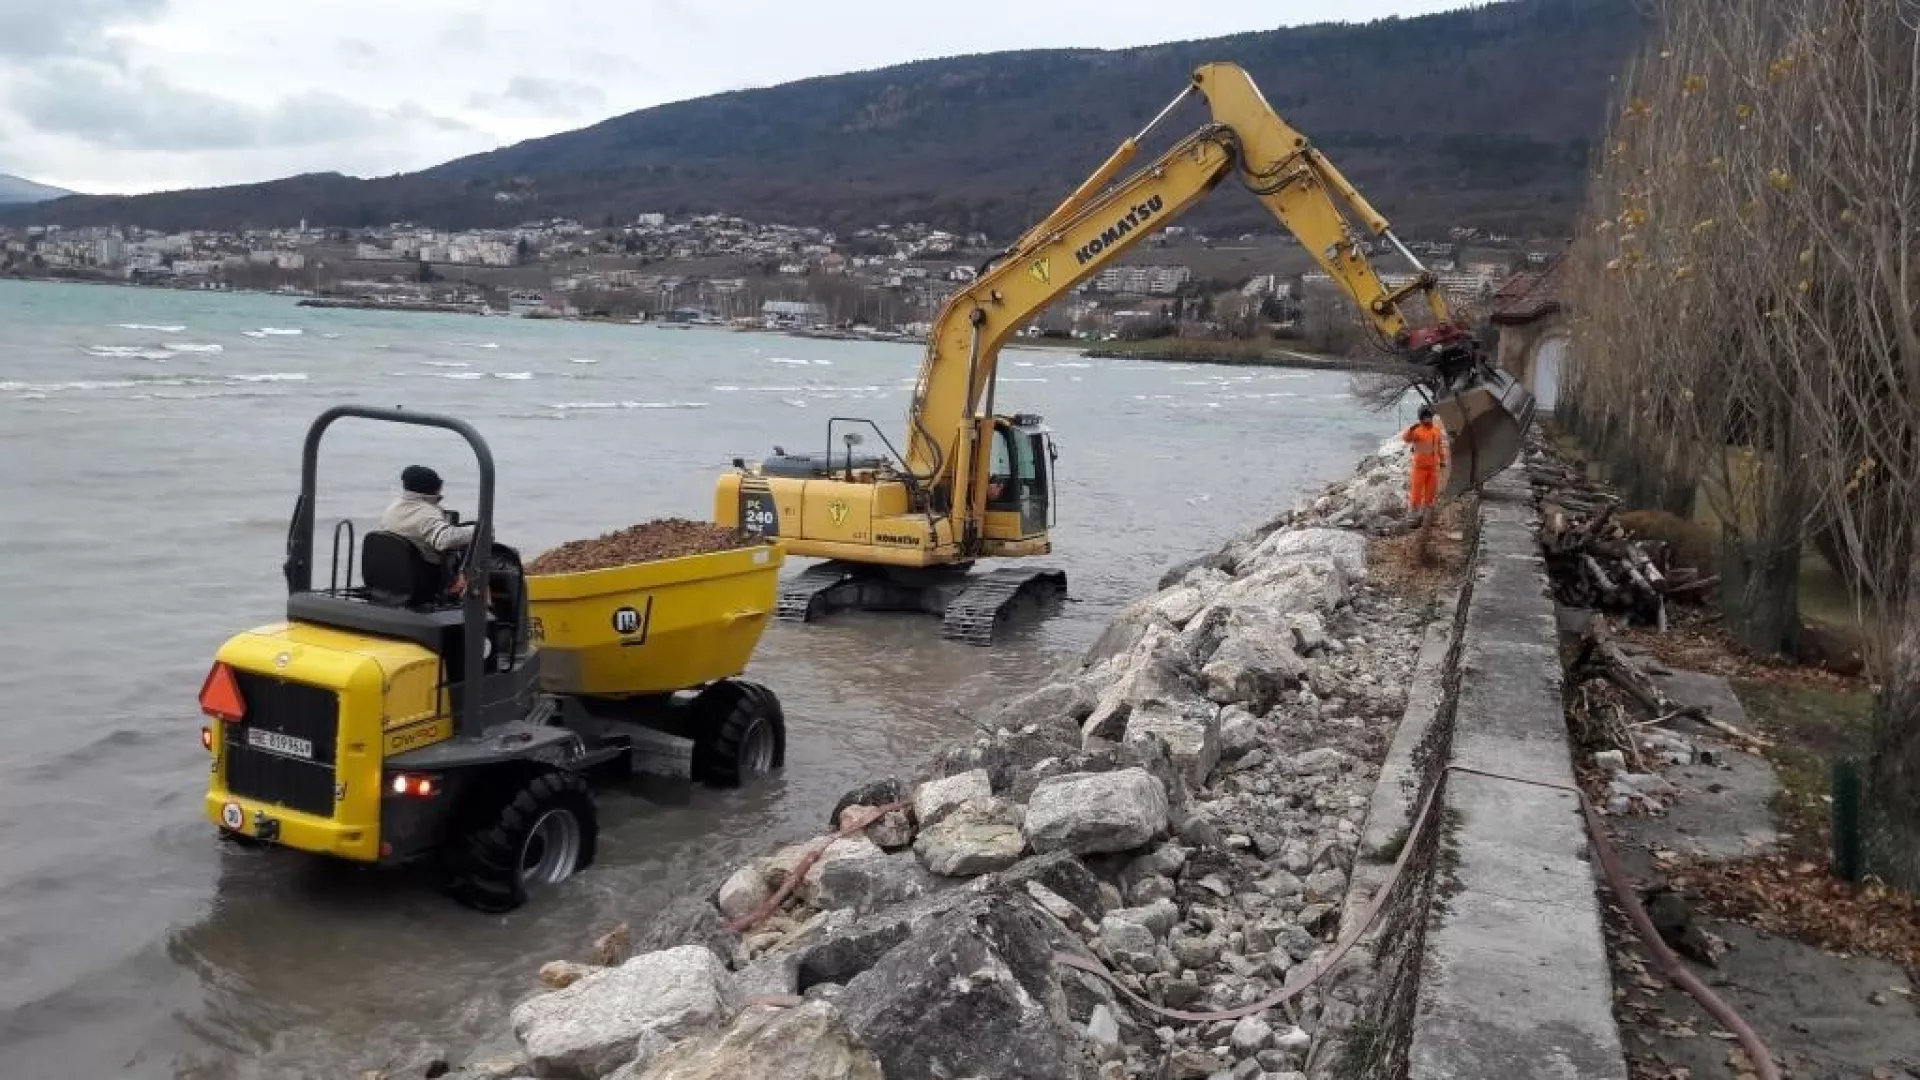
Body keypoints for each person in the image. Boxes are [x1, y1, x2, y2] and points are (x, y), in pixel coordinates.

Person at [381, 465, 476, 585]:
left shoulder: (393, 507)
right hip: (425, 577)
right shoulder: (425, 512)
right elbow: (444, 540)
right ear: (435, 488)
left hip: (395, 572)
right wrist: (479, 530)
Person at [1401, 405, 1448, 519]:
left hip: (1433, 468)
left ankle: (1427, 513)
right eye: (1425, 417)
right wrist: (1411, 429)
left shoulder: (1436, 431)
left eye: (1428, 417)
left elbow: (1439, 447)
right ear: (1421, 418)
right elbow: (1406, 438)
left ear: (1431, 417)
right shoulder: (1417, 431)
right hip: (1419, 468)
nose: (1427, 419)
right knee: (1416, 492)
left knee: (1430, 492)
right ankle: (1414, 513)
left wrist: (1442, 460)